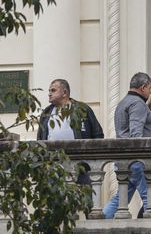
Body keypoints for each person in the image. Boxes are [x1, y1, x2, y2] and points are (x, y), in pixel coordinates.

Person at [37, 78, 104, 217]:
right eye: (49, 90)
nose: (49, 93)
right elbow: (40, 139)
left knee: (89, 205)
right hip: (54, 167)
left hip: (82, 166)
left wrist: (92, 160)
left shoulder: (82, 109)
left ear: (65, 92)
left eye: (53, 90)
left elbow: (98, 134)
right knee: (55, 206)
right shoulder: (46, 113)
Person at [102, 72, 151, 218]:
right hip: (138, 161)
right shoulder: (138, 104)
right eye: (149, 88)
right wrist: (142, 159)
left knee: (120, 199)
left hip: (124, 160)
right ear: (143, 87)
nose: (150, 91)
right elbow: (136, 136)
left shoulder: (123, 103)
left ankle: (99, 222)